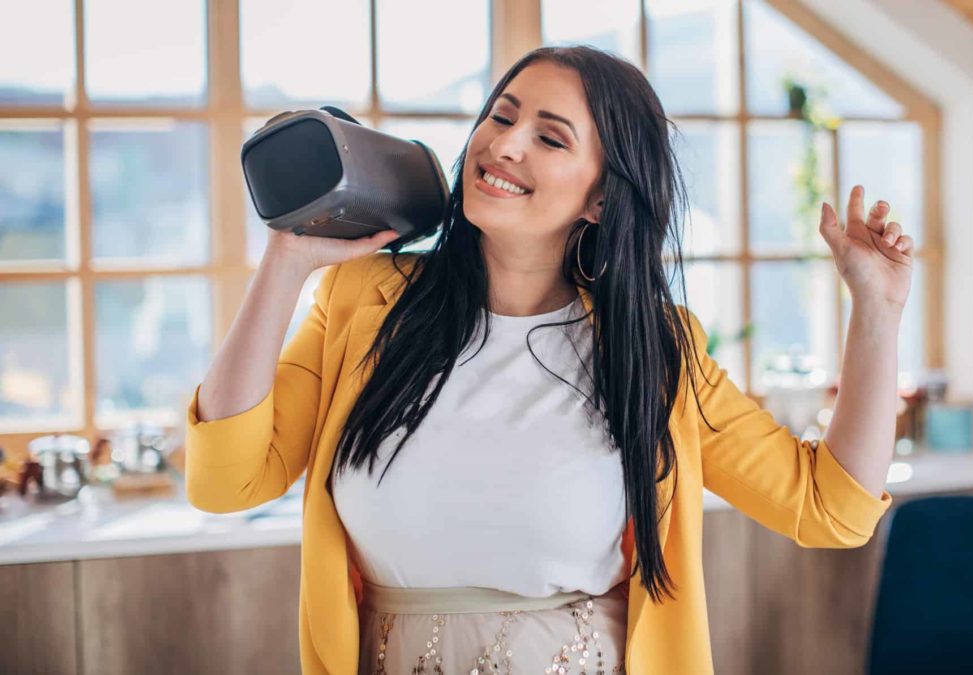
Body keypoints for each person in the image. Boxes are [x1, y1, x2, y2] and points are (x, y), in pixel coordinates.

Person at [185, 44, 912, 675]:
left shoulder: (654, 349)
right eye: (501, 117)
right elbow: (226, 480)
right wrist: (285, 263)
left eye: (550, 138)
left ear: (600, 197)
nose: (504, 146)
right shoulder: (362, 303)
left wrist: (876, 311)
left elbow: (831, 509)